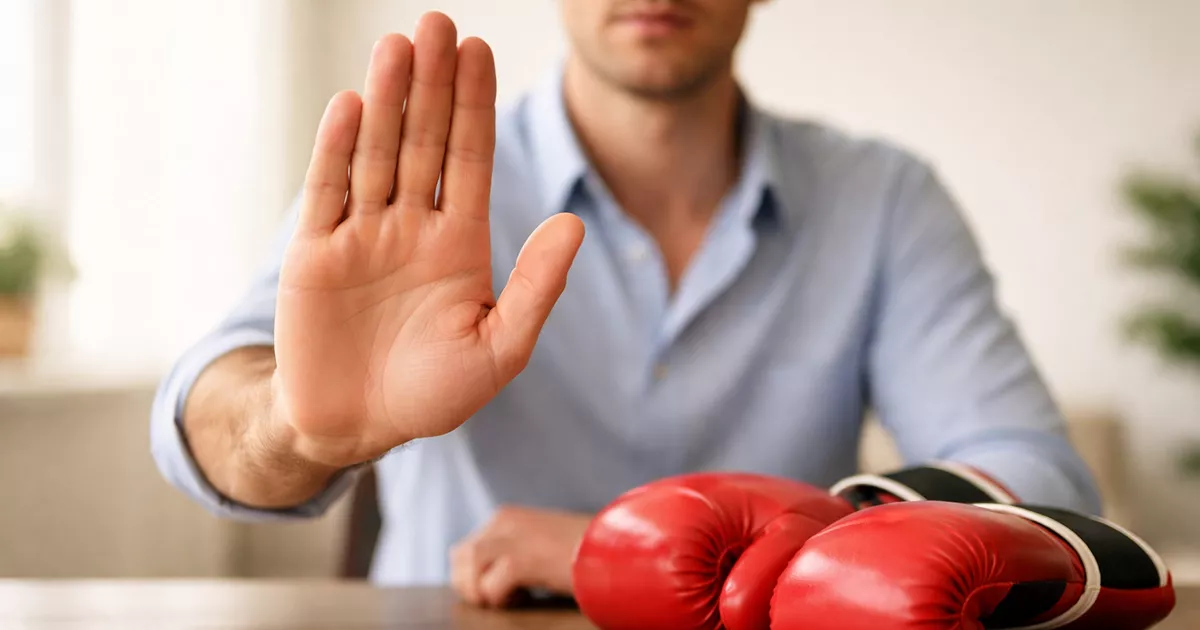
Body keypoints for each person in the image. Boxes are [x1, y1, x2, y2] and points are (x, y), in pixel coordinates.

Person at [151, 0, 1101, 608]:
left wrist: (644, 555)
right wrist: (299, 429)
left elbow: (1041, 482)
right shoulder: (418, 182)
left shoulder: (883, 200)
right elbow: (201, 416)